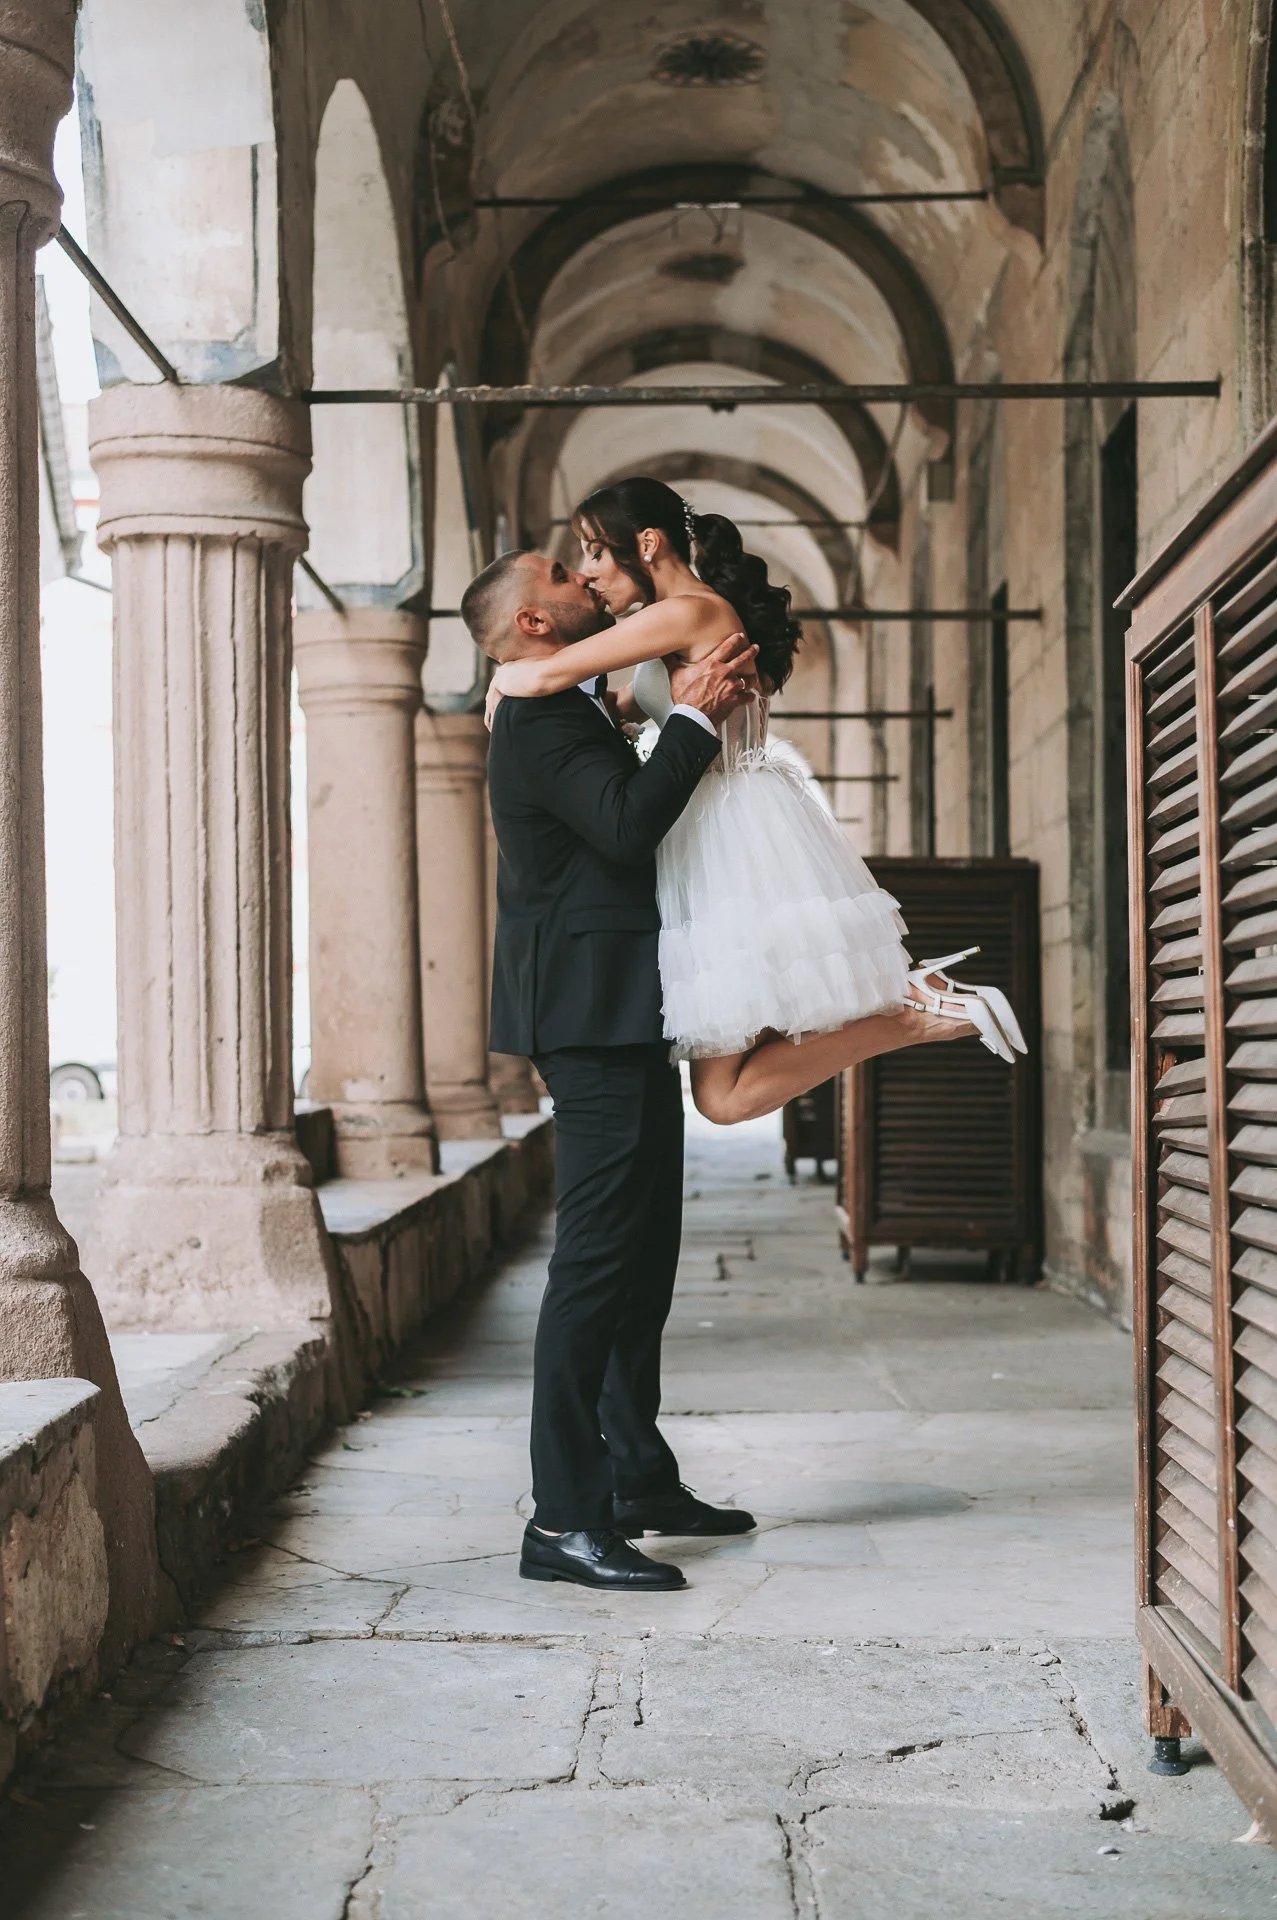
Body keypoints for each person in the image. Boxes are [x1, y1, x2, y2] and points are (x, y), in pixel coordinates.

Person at [484, 476, 1026, 1126]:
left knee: (722, 1096)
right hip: (710, 835)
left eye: (595, 552)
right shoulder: (676, 624)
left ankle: (912, 1008)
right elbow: (615, 708)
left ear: (647, 543)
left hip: (728, 842)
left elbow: (547, 671)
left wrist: (501, 682)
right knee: (722, 1096)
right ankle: (911, 1008)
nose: (591, 573)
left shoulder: (688, 612)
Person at [462, 548, 769, 1592]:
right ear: (532, 624)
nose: (579, 575)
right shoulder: (539, 718)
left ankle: (636, 1477)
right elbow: (629, 829)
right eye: (556, 571)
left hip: (623, 1007)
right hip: (586, 1018)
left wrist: (670, 716)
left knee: (641, 1255)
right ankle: (560, 1519)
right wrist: (687, 718)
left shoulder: (566, 705)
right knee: (594, 1265)